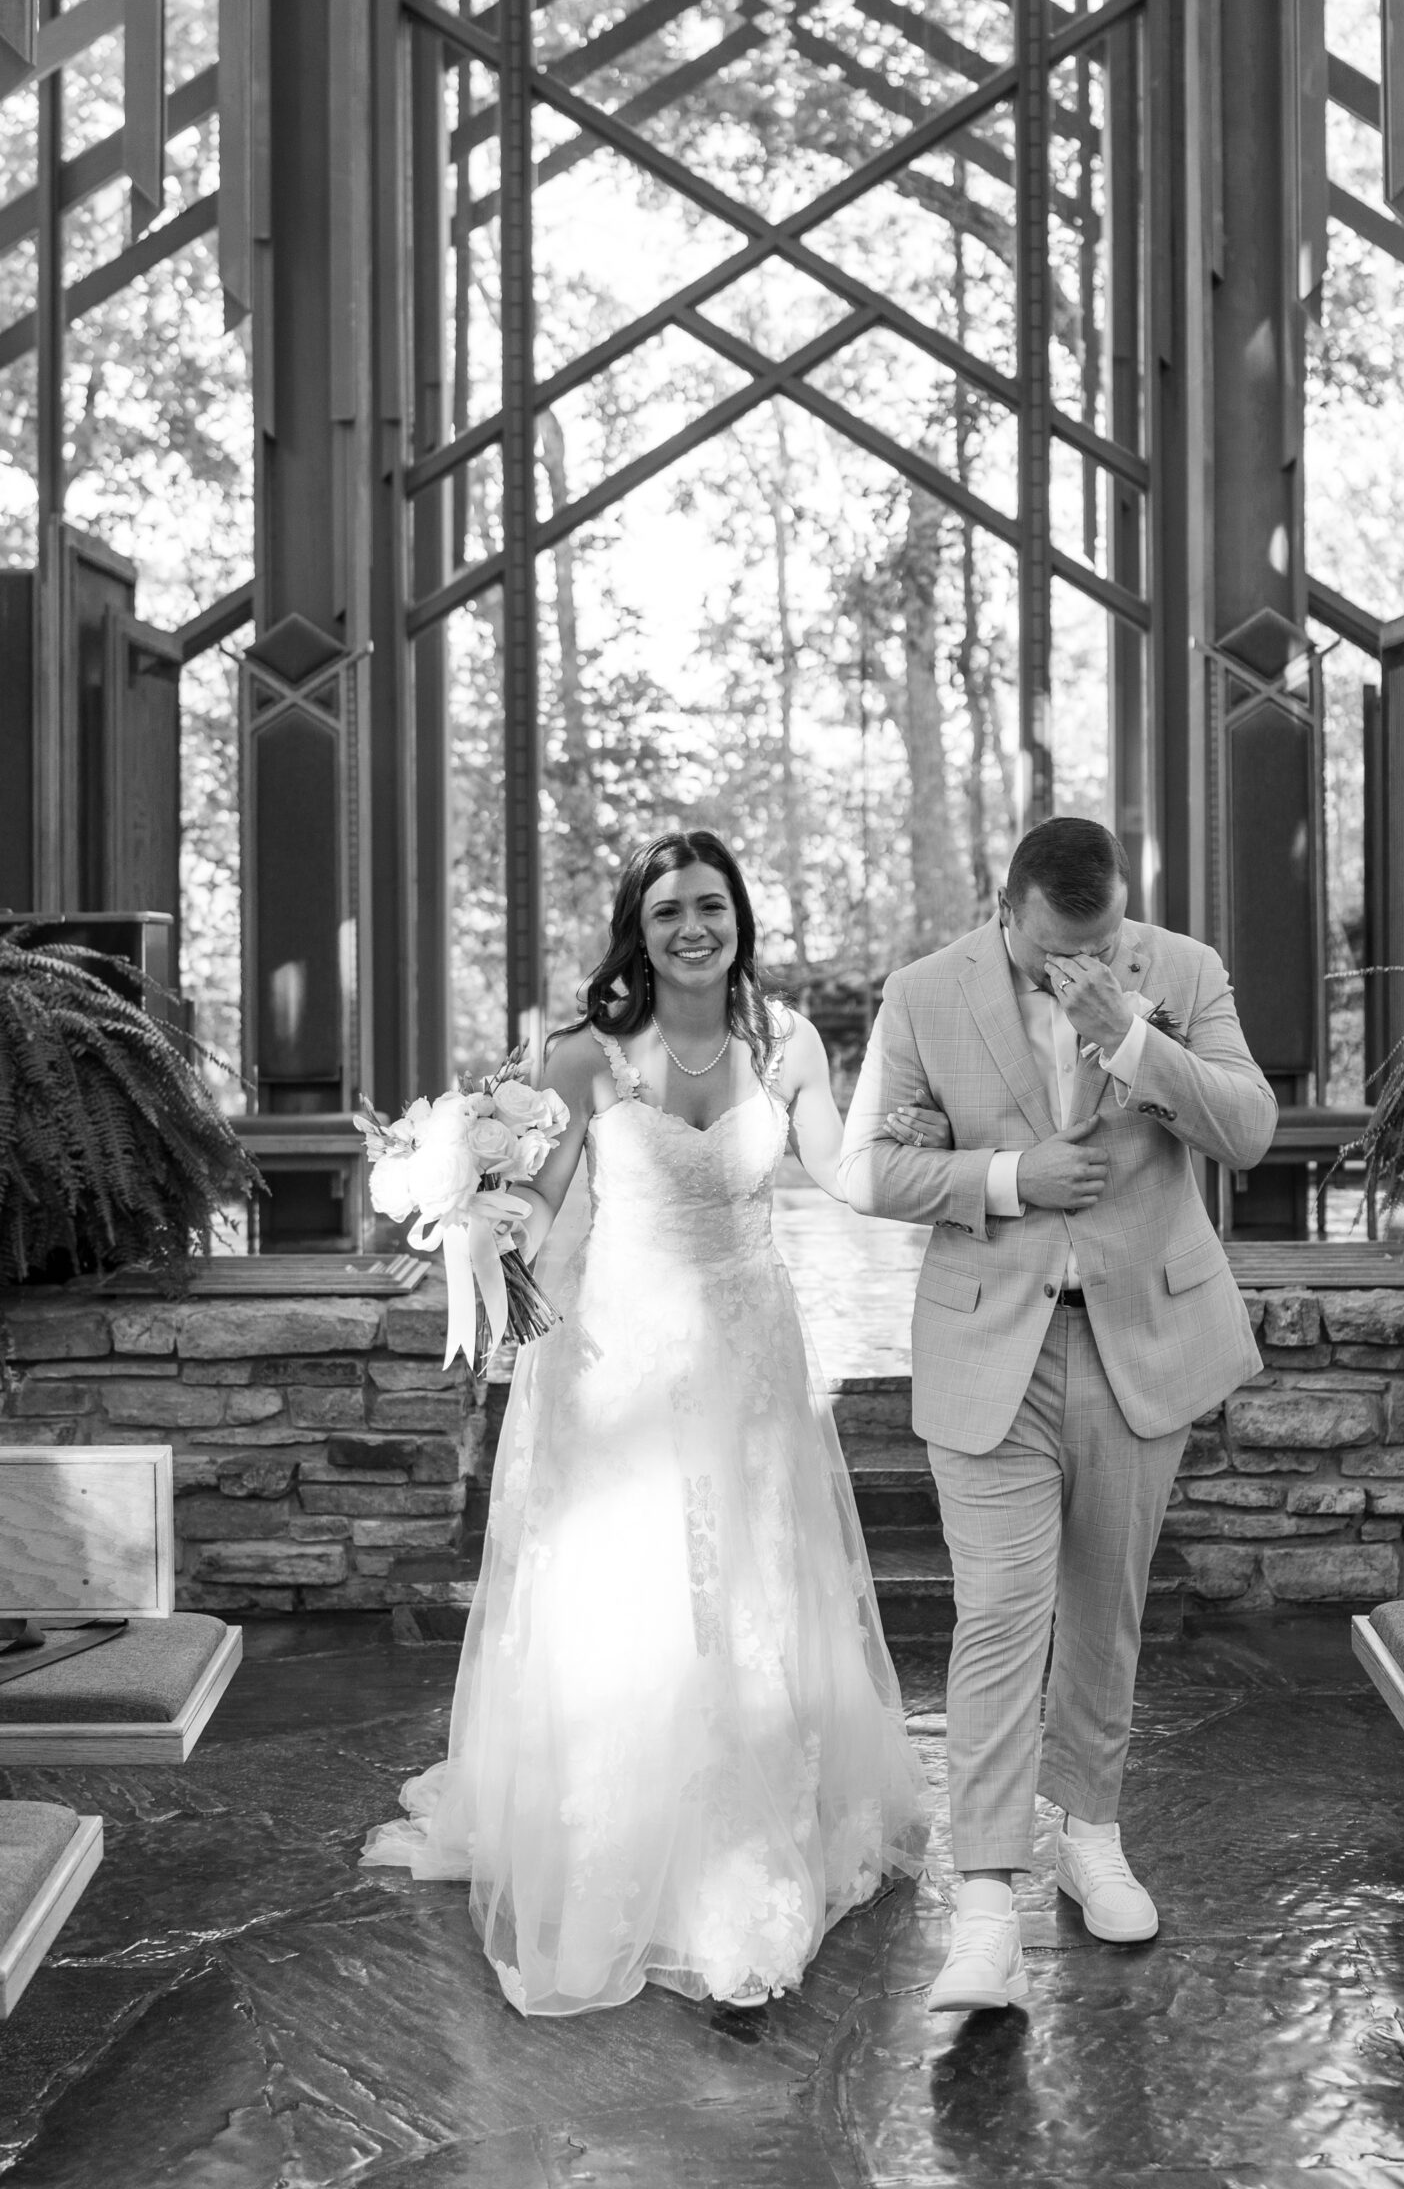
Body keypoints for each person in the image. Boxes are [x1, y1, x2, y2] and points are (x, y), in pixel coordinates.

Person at [363, 830, 935, 2015]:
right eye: (669, 907)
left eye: (712, 906)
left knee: (755, 1595)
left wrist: (982, 1175)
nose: (692, 927)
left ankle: (753, 1847)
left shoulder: (787, 1047)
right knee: (644, 1602)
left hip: (753, 1359)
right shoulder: (583, 1055)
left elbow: (843, 1171)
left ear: (741, 921)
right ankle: (642, 1855)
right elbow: (541, 1198)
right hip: (621, 1365)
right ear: (639, 923)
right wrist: (457, 1198)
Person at [839, 816, 1276, 2014]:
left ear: (1122, 915)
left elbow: (1246, 1129)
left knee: (1107, 1604)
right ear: (1004, 906)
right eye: (1047, 953)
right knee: (997, 1616)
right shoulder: (924, 993)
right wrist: (1005, 1178)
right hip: (991, 1342)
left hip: (1143, 1334)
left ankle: (1093, 1832)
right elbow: (860, 1165)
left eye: (1096, 943)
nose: (1069, 966)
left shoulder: (1180, 974)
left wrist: (1131, 1037)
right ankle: (985, 1903)